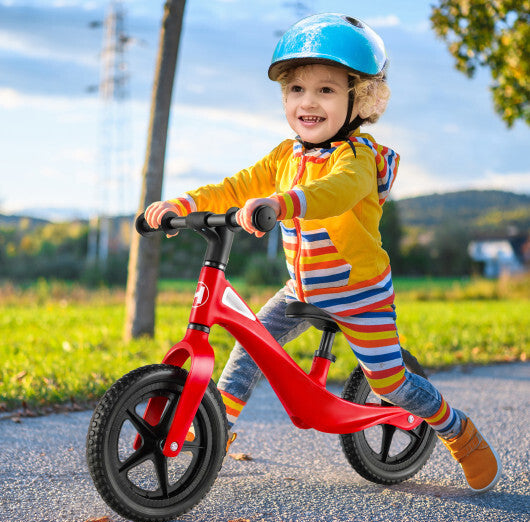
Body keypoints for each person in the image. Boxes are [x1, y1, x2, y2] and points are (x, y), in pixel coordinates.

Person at [145, 13, 501, 493]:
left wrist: (281, 202)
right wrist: (183, 205)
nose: (307, 102)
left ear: (361, 99)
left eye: (326, 91)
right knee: (248, 348)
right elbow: (237, 185)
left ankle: (457, 430)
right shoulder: (285, 156)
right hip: (302, 287)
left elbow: (334, 192)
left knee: (391, 383)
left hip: (359, 290)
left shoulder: (355, 158)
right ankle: (216, 432)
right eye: (296, 90)